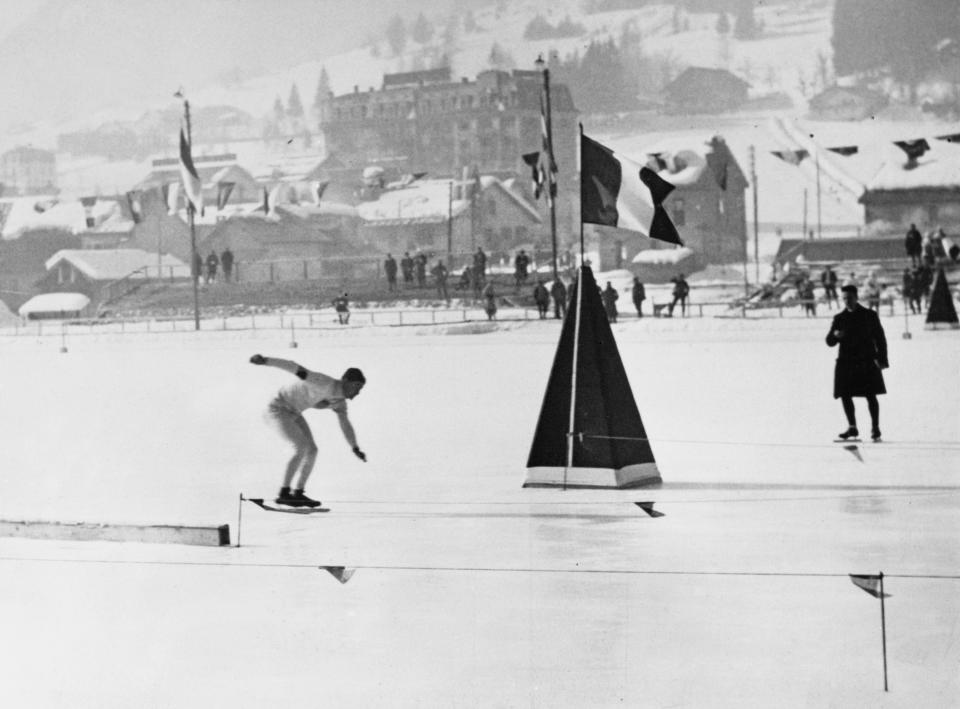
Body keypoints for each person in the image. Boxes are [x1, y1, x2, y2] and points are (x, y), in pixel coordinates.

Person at [249, 355, 366, 507]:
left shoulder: (339, 402)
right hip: (276, 409)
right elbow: (294, 367)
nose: (358, 391)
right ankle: (284, 494)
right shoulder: (323, 382)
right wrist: (266, 361)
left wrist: (354, 447)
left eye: (360, 388)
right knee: (301, 447)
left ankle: (298, 493)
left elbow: (345, 423)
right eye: (356, 386)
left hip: (294, 412)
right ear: (345, 381)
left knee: (312, 450)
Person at [826, 285, 889, 442]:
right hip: (846, 362)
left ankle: (875, 427)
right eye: (844, 298)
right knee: (845, 394)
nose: (847, 301)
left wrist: (882, 360)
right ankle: (852, 426)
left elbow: (880, 339)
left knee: (870, 395)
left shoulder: (869, 315)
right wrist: (836, 335)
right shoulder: (839, 318)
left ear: (856, 297)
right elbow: (829, 341)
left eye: (850, 298)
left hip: (866, 361)